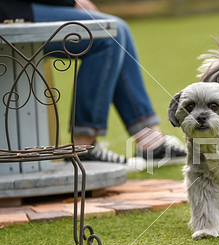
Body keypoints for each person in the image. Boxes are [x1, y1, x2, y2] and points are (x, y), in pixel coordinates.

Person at [0, 0, 186, 165]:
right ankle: (83, 147)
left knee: (117, 28)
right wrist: (70, 3)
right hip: (9, 11)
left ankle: (150, 141)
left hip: (17, 8)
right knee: (107, 34)